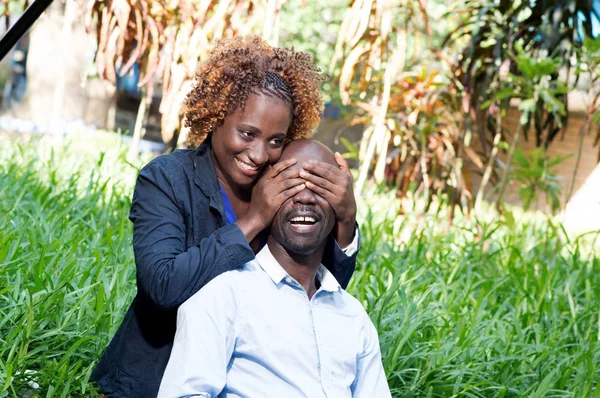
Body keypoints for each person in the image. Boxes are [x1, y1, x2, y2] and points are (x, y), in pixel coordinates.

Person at [92, 36, 360, 397]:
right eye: (247, 133)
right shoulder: (168, 179)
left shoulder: (277, 179)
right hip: (155, 380)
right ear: (215, 115)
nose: (259, 153)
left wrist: (345, 219)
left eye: (276, 140)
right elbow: (162, 286)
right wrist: (254, 220)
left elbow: (316, 286)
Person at [158, 140, 390, 398]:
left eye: (321, 186)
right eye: (289, 185)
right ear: (264, 198)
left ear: (341, 204)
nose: (304, 197)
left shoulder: (354, 318)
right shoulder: (223, 296)